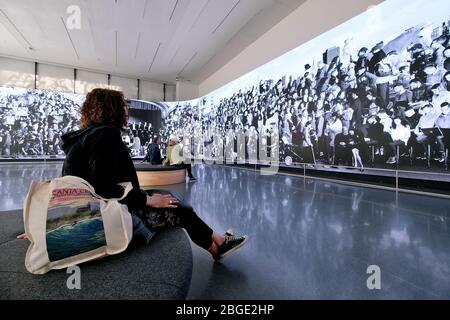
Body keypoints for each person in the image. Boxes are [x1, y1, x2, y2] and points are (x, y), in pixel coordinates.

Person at [18, 89, 248, 261]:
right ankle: (218, 246)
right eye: (124, 106)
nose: (127, 112)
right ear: (113, 109)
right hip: (109, 219)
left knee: (168, 197)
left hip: (92, 211)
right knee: (178, 207)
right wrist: (148, 200)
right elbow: (102, 186)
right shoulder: (105, 134)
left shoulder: (82, 138)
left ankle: (218, 243)